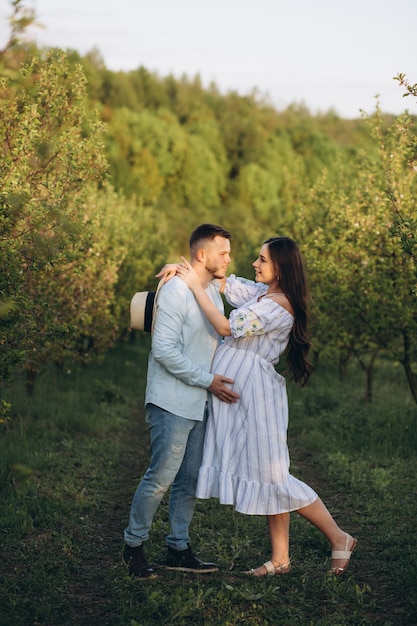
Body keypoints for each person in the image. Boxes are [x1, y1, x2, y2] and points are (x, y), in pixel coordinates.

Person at [176, 236, 357, 577]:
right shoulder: (263, 294)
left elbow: (227, 326)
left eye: (262, 260)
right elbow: (224, 282)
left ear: (281, 269)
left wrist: (193, 287)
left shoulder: (278, 306)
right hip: (243, 396)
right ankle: (280, 559)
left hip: (256, 396)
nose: (254, 264)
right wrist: (186, 269)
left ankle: (339, 537)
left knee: (274, 476)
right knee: (268, 473)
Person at [123, 224, 239, 577]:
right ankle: (133, 547)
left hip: (200, 401)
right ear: (202, 255)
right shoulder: (175, 290)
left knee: (189, 479)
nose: (228, 259)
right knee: (161, 477)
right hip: (171, 401)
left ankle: (178, 547)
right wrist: (209, 381)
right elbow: (163, 352)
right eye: (223, 253)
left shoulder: (212, 293)